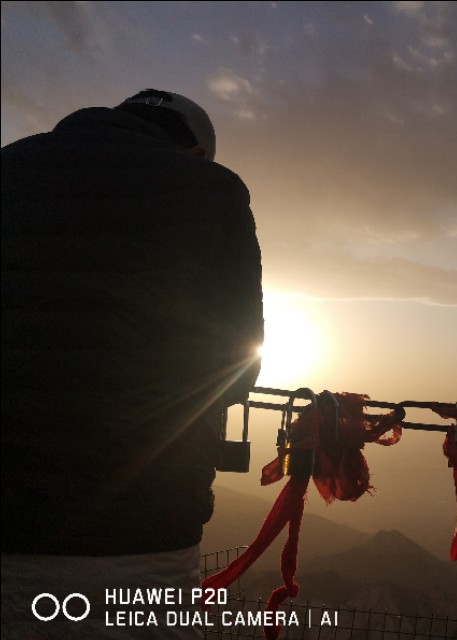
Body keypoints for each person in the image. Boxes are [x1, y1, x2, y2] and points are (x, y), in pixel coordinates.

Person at [1, 89, 264, 637]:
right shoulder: (214, 190)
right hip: (140, 527)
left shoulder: (9, 164)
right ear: (195, 152)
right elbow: (236, 366)